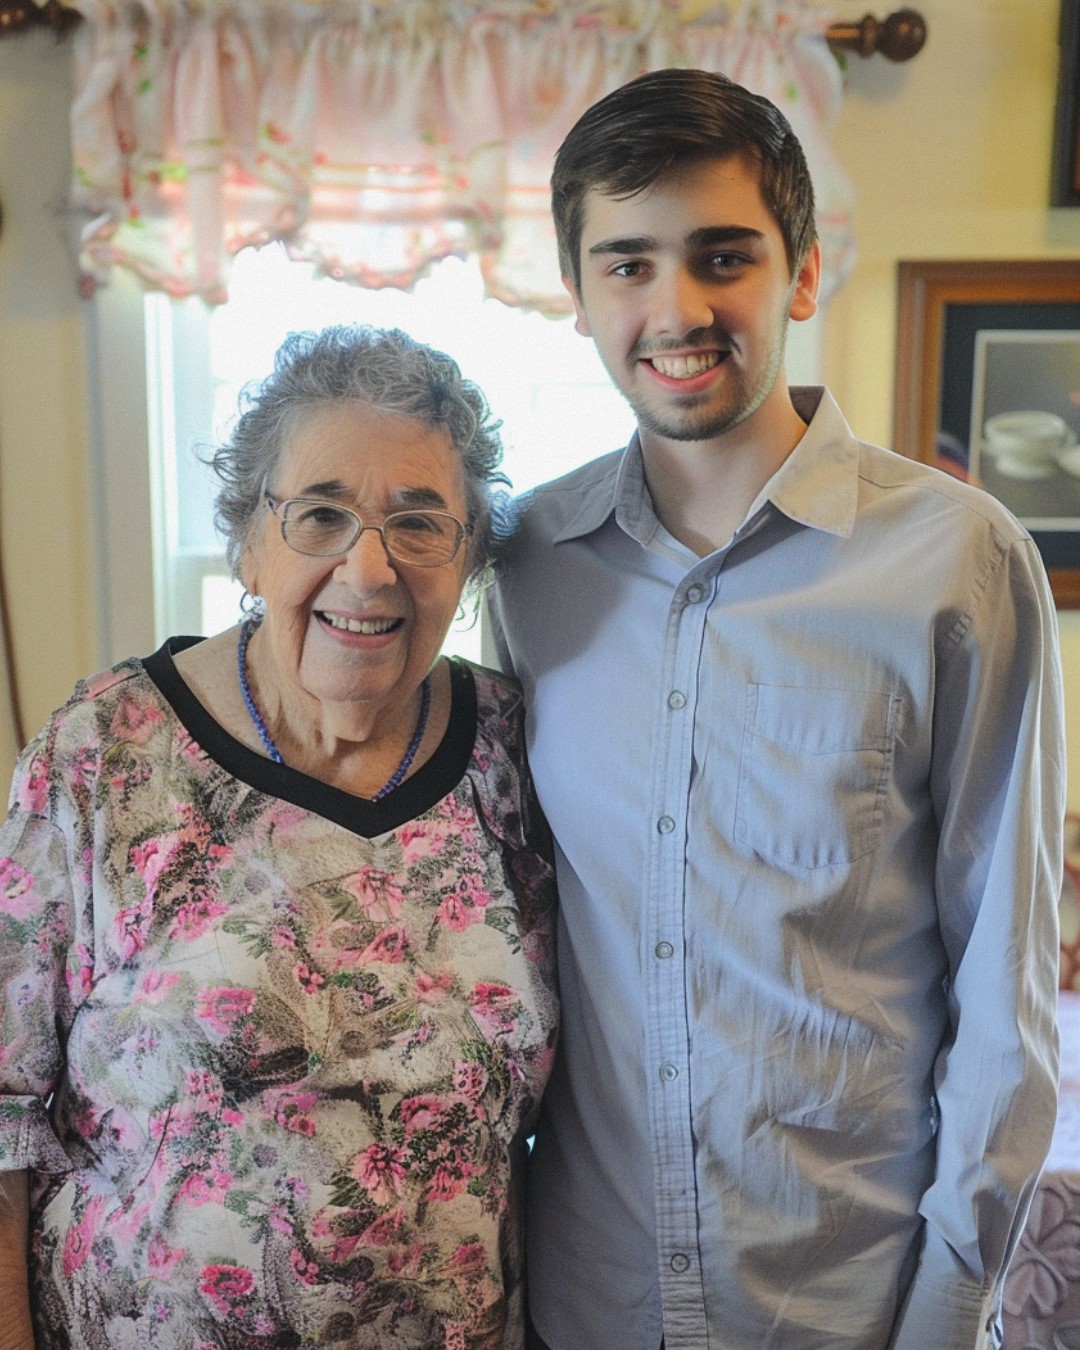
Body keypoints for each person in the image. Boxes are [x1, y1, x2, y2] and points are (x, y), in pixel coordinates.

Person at [487, 68, 1066, 1350]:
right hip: (589, 1299)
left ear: (802, 275)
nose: (675, 308)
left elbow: (1005, 985)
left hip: (843, 1302)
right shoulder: (524, 565)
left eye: (723, 257)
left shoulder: (958, 560)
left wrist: (946, 1305)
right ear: (577, 294)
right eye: (627, 263)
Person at [0, 325, 558, 1349]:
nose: (371, 567)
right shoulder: (105, 751)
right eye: (321, 515)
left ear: (470, 554)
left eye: (421, 523)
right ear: (250, 542)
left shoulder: (515, 753)